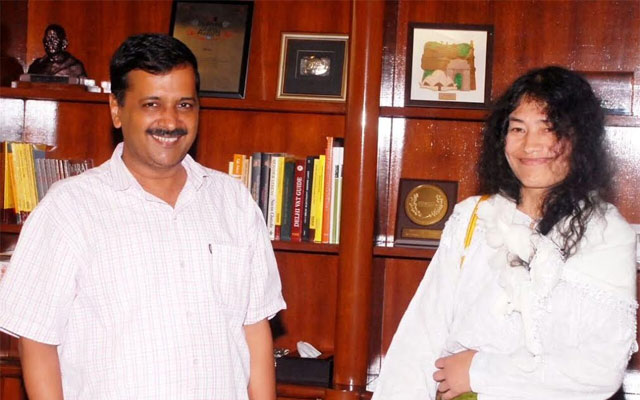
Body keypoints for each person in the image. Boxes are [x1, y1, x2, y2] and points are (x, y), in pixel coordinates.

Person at [0, 33, 286, 399]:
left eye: (185, 105)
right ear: (116, 109)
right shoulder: (69, 208)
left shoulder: (234, 202)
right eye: (152, 104)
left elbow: (255, 329)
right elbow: (37, 341)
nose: (170, 121)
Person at [373, 66, 637, 400]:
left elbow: (601, 368)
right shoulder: (472, 217)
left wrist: (478, 371)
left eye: (549, 128)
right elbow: (421, 337)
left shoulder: (606, 233)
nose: (530, 144)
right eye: (517, 128)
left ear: (579, 139)